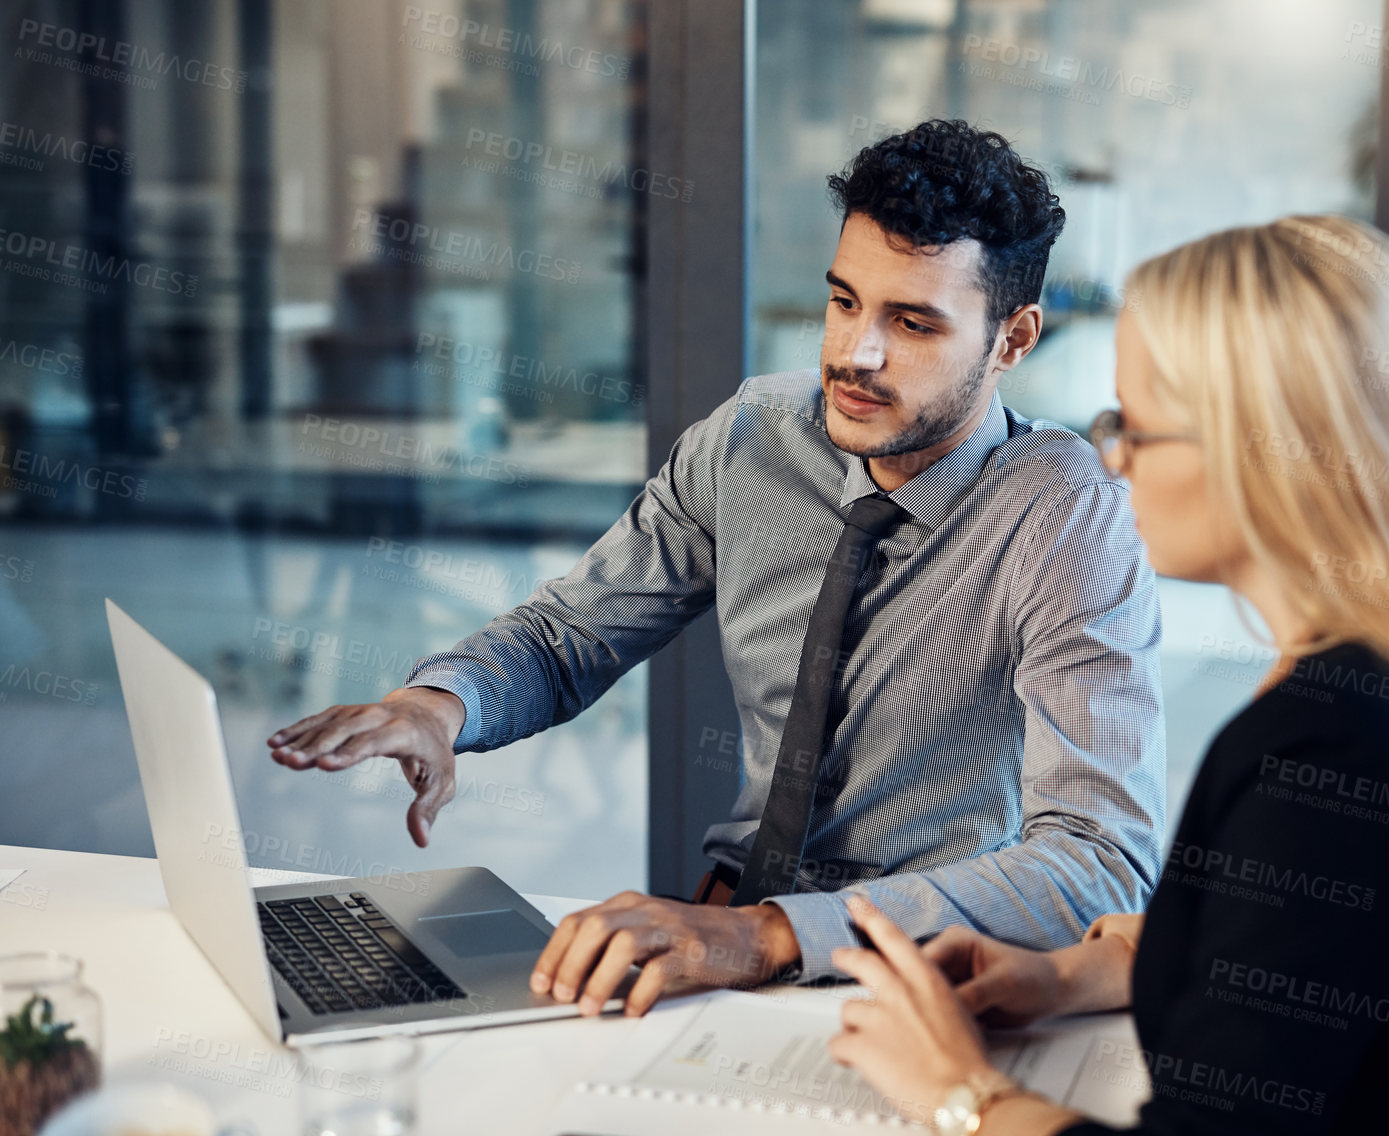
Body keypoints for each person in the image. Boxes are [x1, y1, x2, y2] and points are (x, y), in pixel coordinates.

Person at [263, 120, 1167, 1014]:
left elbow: (1099, 861)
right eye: (844, 301)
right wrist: (434, 707)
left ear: (1012, 340)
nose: (855, 354)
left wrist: (773, 935)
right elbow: (568, 636)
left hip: (926, 981)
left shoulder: (1065, 514)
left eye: (913, 322)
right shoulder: (751, 439)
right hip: (717, 940)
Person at [826, 215, 1389, 1135]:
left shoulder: (1335, 748)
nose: (1112, 461)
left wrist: (958, 1091)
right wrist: (1072, 973)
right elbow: (1345, 953)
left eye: (1136, 428)